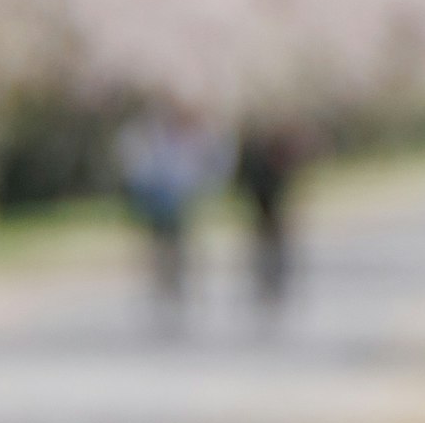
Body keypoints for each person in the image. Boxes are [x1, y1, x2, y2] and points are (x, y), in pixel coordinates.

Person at [116, 107, 222, 325]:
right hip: (157, 199)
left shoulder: (184, 140)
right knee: (160, 243)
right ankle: (164, 283)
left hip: (177, 199)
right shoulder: (149, 139)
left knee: (177, 242)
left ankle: (175, 282)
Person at [233, 121, 313, 315]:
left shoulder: (278, 157)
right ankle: (267, 283)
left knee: (276, 250)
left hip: (274, 211)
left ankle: (275, 284)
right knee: (266, 249)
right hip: (262, 210)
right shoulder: (256, 159)